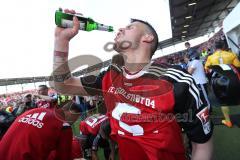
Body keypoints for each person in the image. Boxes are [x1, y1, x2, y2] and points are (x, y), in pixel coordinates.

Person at [52, 9, 213, 160]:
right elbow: (63, 85)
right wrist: (61, 41)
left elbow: (202, 143)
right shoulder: (110, 76)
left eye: (130, 27)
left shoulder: (175, 80)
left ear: (147, 38)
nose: (120, 29)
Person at [0, 101, 82, 160]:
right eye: (76, 117)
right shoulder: (64, 125)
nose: (75, 121)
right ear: (71, 112)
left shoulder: (32, 111)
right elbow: (63, 157)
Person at [205, 41, 240, 127]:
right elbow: (238, 65)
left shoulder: (210, 57)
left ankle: (228, 121)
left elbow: (207, 69)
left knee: (223, 102)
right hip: (233, 78)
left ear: (214, 48)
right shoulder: (231, 54)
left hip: (217, 81)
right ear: (223, 46)